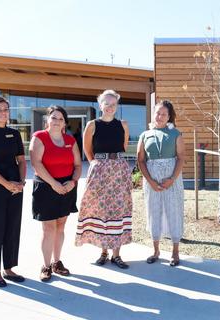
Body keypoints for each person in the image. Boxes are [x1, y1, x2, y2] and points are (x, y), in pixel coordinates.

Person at [75, 89, 132, 269]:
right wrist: (97, 165)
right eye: (106, 103)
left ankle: (117, 254)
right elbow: (87, 149)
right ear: (100, 105)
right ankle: (103, 252)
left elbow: (123, 146)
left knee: (119, 209)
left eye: (113, 104)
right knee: (101, 210)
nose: (110, 107)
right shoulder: (92, 124)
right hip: (99, 170)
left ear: (117, 106)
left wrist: (113, 164)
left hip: (119, 171)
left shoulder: (122, 124)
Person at [29, 105, 81, 281]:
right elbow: (36, 163)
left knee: (61, 226)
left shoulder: (70, 140)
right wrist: (53, 184)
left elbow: (78, 165)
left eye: (60, 118)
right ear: (47, 120)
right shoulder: (39, 137)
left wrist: (73, 182)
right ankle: (45, 266)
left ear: (65, 122)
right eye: (54, 117)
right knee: (48, 228)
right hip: (46, 186)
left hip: (67, 187)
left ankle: (56, 262)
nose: (57, 121)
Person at [137, 100, 185, 267]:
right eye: (157, 113)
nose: (160, 116)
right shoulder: (145, 135)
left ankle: (175, 251)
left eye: (164, 114)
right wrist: (150, 181)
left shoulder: (176, 134)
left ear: (169, 116)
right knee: (153, 211)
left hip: (172, 179)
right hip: (152, 180)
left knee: (174, 210)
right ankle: (156, 250)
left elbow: (181, 158)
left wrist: (172, 179)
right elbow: (141, 160)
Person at [0, 96, 26, 287]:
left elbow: (21, 160)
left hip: (15, 187)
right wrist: (5, 184)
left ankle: (9, 268)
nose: (3, 112)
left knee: (12, 227)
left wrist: (20, 182)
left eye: (6, 109)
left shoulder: (15, 134)